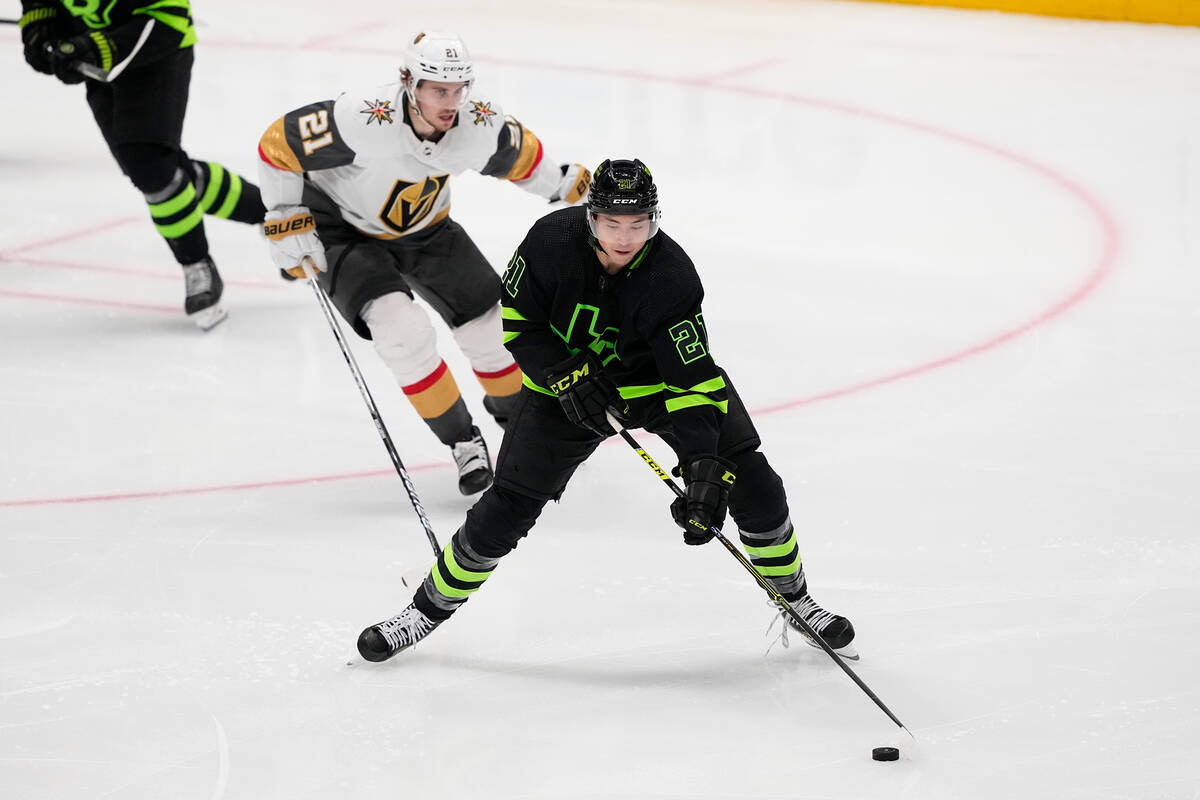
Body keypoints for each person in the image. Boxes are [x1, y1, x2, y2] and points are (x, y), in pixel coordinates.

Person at [356, 158, 857, 662]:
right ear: (590, 218)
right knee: (506, 507)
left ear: (654, 220)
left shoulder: (672, 277)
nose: (624, 238)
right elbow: (518, 324)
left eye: (638, 225)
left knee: (754, 484)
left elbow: (691, 379)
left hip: (659, 389)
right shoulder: (549, 243)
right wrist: (565, 375)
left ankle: (796, 601)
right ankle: (423, 612)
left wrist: (704, 466)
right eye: (612, 224)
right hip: (563, 393)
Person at [257, 31, 592, 496]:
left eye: (459, 89)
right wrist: (284, 214)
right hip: (342, 230)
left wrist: (561, 182)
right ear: (408, 82)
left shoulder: (477, 122)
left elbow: (520, 155)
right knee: (403, 333)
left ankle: (523, 426)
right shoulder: (362, 117)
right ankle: (463, 441)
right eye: (438, 89)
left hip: (426, 230)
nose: (451, 102)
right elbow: (279, 146)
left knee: (494, 333)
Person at [17, 0, 267, 330]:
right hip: (98, 55)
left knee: (151, 168)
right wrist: (40, 23)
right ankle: (270, 211)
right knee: (159, 172)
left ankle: (197, 263)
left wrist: (94, 46)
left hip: (156, 52)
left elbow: (169, 16)